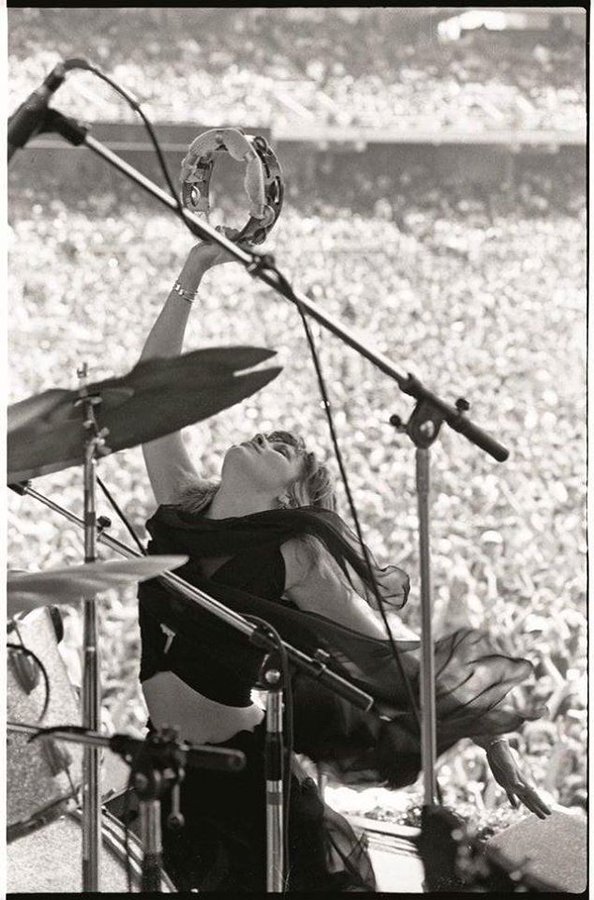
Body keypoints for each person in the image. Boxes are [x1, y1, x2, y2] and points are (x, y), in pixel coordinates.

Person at [134, 233, 551, 893]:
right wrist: (193, 268)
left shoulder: (293, 552)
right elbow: (151, 388)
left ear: (294, 495)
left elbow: (393, 651)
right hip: (173, 769)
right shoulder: (183, 506)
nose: (262, 436)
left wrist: (488, 729)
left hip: (247, 785)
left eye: (283, 446)